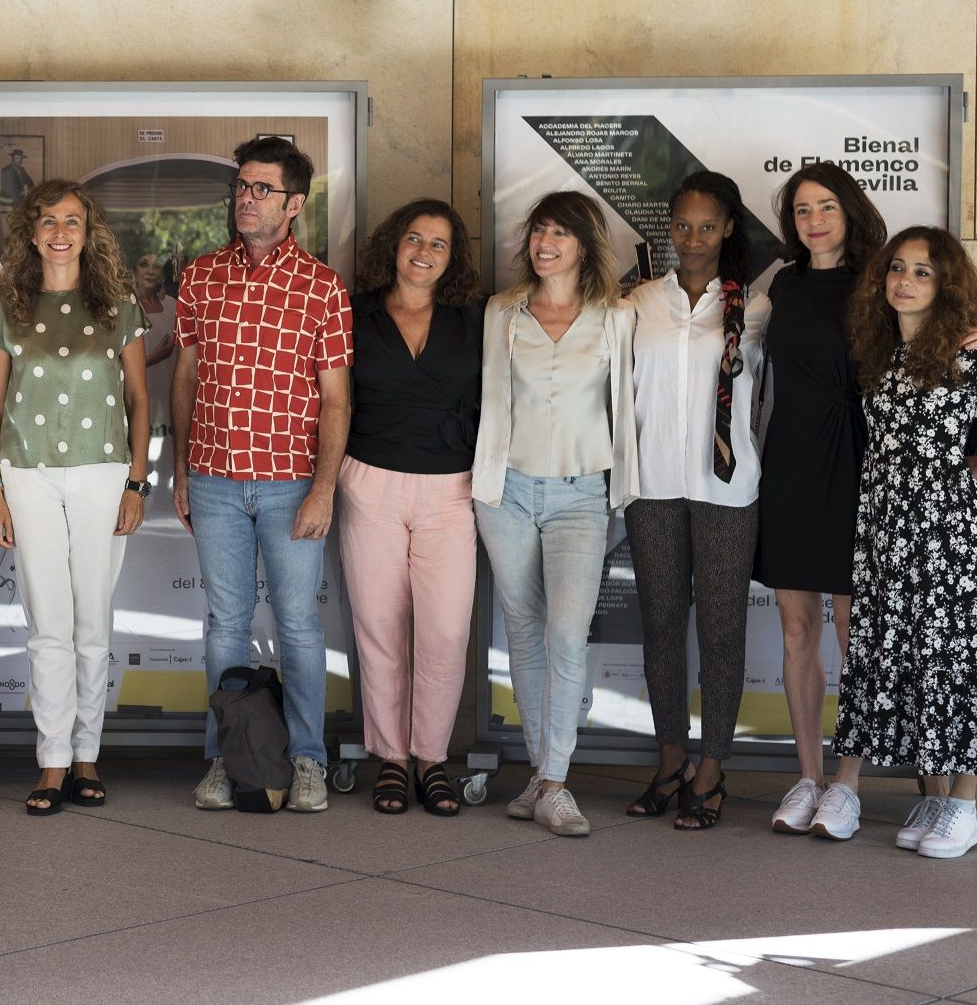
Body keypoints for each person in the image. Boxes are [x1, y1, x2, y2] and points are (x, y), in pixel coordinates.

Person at [173, 136, 353, 815]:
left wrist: (325, 486)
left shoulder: (322, 288)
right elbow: (186, 376)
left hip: (290, 482)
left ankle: (306, 759)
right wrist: (186, 467)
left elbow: (337, 397)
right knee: (225, 623)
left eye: (261, 189)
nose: (245, 199)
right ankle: (225, 756)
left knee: (299, 625)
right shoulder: (201, 275)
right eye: (241, 187)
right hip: (215, 478)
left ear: (295, 203)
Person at [0, 180, 151, 815]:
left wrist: (137, 481)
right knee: (47, 624)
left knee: (91, 625)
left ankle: (87, 755)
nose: (59, 231)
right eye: (47, 220)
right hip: (26, 475)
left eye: (72, 221)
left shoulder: (117, 304)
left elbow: (139, 400)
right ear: (31, 232)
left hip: (103, 473)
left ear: (89, 231)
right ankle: (51, 760)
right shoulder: (4, 308)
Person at [472, 190, 637, 837]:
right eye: (538, 231)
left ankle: (557, 778)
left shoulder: (615, 315)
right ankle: (543, 773)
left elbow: (625, 404)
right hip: (507, 491)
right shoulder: (502, 312)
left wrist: (621, 489)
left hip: (579, 495)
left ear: (584, 243)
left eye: (560, 233)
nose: (545, 243)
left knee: (568, 633)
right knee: (524, 630)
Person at [831, 227, 977, 857]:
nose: (905, 280)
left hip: (947, 534)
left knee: (956, 661)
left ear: (946, 284)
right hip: (885, 532)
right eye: (897, 268)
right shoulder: (884, 352)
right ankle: (933, 796)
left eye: (923, 272)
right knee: (888, 656)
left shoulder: (966, 348)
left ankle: (965, 806)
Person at [624, 172, 768, 830]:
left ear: (729, 228)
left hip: (726, 489)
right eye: (682, 223)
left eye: (708, 225)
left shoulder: (755, 307)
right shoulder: (636, 303)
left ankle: (713, 766)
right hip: (651, 485)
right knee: (658, 624)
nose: (693, 237)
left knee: (721, 629)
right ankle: (671, 759)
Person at [336, 199, 481, 817]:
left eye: (439, 243)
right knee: (380, 627)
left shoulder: (473, 320)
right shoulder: (354, 313)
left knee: (446, 630)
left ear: (453, 259)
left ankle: (433, 757)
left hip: (451, 489)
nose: (424, 251)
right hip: (370, 481)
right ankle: (392, 759)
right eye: (414, 238)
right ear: (394, 245)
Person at [754, 162, 886, 836]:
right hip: (792, 461)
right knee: (797, 624)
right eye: (802, 210)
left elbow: (933, 341)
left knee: (850, 629)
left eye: (826, 206)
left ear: (850, 210)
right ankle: (807, 777)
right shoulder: (782, 281)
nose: (814, 220)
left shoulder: (882, 279)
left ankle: (848, 782)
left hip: (860, 461)